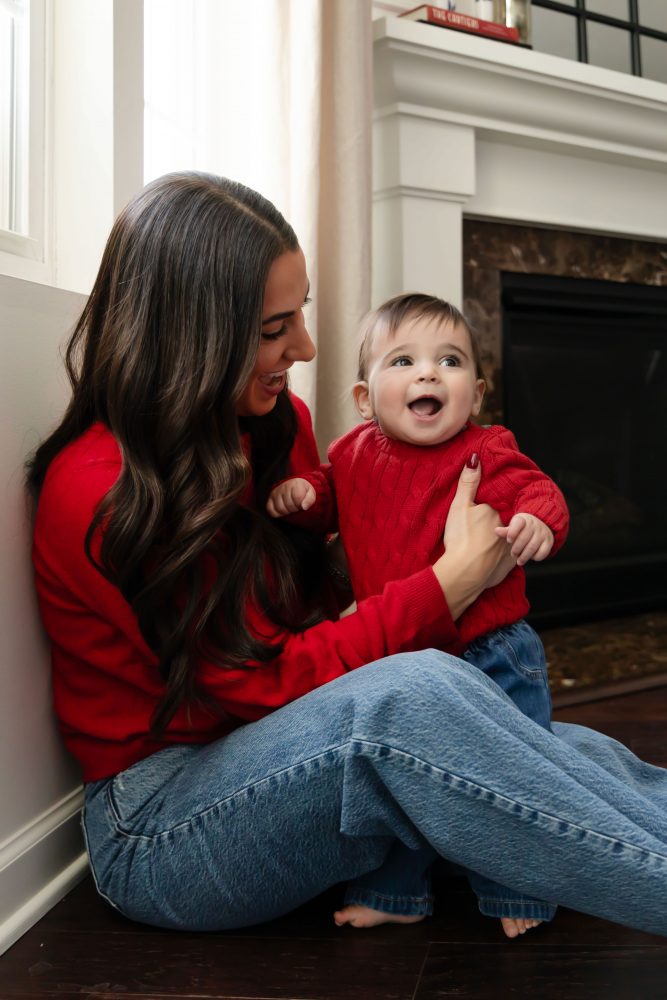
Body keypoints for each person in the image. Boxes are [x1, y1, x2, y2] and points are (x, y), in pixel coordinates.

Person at [27, 172, 667, 940]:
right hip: (163, 824)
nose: (305, 347)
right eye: (275, 328)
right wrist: (447, 583)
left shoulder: (272, 422)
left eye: (299, 313)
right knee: (422, 695)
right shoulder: (102, 492)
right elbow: (264, 683)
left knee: (541, 741)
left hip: (283, 740)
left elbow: (317, 609)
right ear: (192, 337)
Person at [267, 293, 569, 936]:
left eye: (450, 361)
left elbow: (538, 488)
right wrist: (303, 496)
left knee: (512, 777)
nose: (429, 372)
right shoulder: (352, 454)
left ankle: (517, 893)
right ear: (364, 397)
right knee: (408, 783)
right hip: (407, 655)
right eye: (403, 361)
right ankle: (395, 893)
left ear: (476, 394)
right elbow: (328, 494)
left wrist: (538, 518)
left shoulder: (486, 450)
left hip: (493, 652)